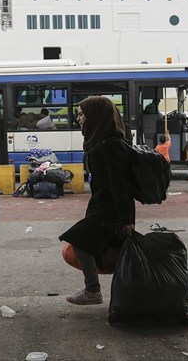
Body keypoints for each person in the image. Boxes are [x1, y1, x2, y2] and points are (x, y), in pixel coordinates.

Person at [59, 96, 135, 307]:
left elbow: (120, 185)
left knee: (80, 242)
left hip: (109, 210)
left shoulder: (110, 146)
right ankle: (127, 293)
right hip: (103, 207)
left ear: (96, 117)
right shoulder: (102, 142)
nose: (79, 119)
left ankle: (93, 291)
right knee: (114, 250)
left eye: (83, 114)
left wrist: (125, 219)